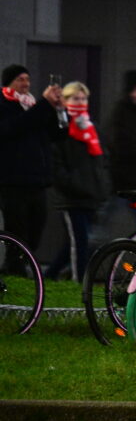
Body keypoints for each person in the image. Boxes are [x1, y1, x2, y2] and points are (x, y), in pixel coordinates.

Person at [0, 64, 64, 272]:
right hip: (12, 181)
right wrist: (44, 104)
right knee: (17, 229)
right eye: (20, 79)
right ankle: (15, 269)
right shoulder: (4, 104)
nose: (26, 84)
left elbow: (56, 135)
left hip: (37, 181)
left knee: (36, 228)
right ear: (9, 82)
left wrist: (58, 110)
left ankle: (20, 266)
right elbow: (15, 128)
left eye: (27, 79)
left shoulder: (33, 105)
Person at [45, 82, 110, 281]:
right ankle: (79, 281)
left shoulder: (92, 127)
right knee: (79, 241)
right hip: (72, 197)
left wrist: (101, 187)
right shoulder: (61, 128)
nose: (80, 102)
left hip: (91, 195)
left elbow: (101, 160)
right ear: (65, 101)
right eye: (75, 98)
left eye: (83, 98)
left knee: (78, 242)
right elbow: (57, 165)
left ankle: (50, 275)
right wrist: (73, 184)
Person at [100, 69, 136, 240]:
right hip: (123, 182)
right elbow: (122, 146)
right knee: (98, 229)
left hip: (135, 181)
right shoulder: (123, 113)